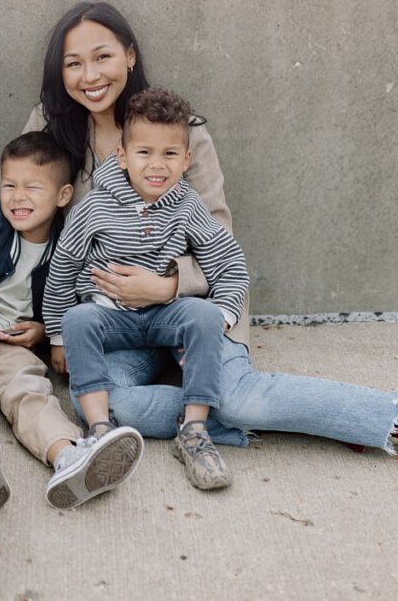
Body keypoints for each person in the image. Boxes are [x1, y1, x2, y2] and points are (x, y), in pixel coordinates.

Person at [0, 1, 398, 492]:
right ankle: (278, 418)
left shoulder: (180, 133)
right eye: (74, 63)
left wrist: (166, 286)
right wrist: (40, 320)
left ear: (130, 55)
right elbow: (7, 207)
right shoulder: (52, 126)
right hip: (114, 320)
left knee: (236, 395)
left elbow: (219, 245)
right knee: (106, 405)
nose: (90, 75)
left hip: (195, 306)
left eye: (103, 56)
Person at [45, 87, 248, 491]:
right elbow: (63, 268)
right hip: (110, 319)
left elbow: (230, 262)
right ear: (121, 157)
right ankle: (99, 430)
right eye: (144, 153)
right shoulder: (95, 207)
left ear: (186, 160)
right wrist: (56, 336)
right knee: (78, 318)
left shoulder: (187, 206)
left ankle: (193, 431)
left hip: (165, 315)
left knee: (204, 314)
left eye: (170, 154)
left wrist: (222, 317)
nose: (157, 165)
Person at [0, 131, 144, 510]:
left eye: (33, 187)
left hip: (14, 338)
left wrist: (47, 332)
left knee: (28, 389)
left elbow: (80, 298)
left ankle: (67, 456)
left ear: (63, 196)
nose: (18, 197)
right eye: (10, 185)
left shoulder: (69, 242)